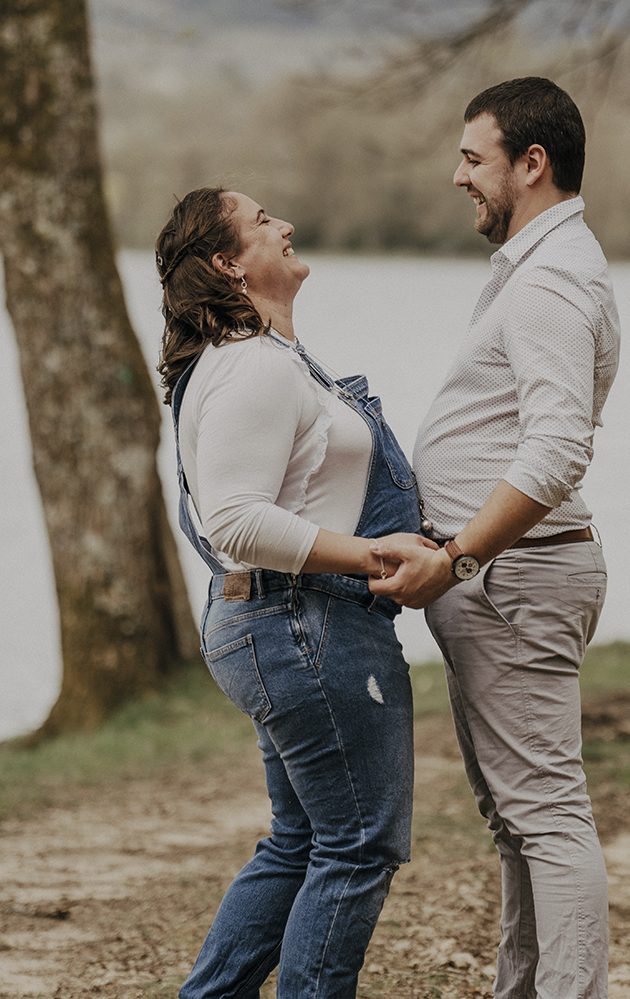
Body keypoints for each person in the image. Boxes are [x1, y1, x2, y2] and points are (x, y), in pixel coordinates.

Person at [370, 78, 621, 999]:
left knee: (546, 814)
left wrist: (460, 556)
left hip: (516, 580)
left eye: (473, 159)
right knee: (517, 819)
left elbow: (557, 447)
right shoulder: (542, 266)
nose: (457, 176)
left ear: (532, 164)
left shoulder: (552, 279)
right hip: (508, 580)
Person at [155, 186, 428, 999]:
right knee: (356, 846)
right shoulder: (251, 366)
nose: (288, 225)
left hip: (279, 623)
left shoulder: (261, 362)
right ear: (229, 264)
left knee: (301, 839)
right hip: (304, 625)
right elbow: (235, 519)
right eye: (264, 219)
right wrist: (371, 553)